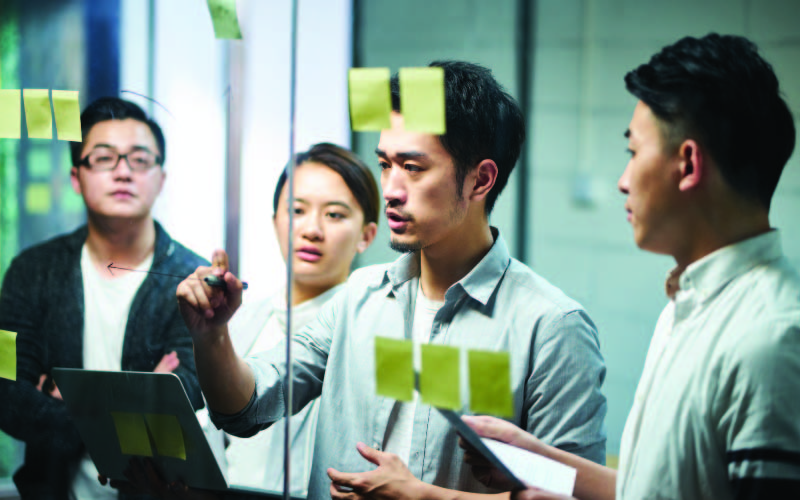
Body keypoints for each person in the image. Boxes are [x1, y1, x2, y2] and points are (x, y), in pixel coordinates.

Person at [177, 61, 607, 500]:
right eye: (385, 165)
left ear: (481, 180)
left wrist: (420, 496)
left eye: (414, 168)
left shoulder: (551, 327)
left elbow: (573, 495)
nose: (391, 190)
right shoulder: (358, 298)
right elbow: (246, 408)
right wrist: (211, 337)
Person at [456, 33, 800, 500]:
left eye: (634, 153)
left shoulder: (769, 337)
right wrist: (538, 461)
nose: (622, 181)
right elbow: (657, 489)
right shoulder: (693, 303)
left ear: (688, 163)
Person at [0, 97, 207, 500]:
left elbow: (190, 396)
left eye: (140, 159)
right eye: (104, 158)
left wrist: (73, 401)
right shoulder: (32, 271)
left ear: (161, 178)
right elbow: (7, 393)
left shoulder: (190, 277)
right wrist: (142, 397)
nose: (123, 172)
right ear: (76, 177)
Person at [203, 143, 379, 496]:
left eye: (334, 215)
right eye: (296, 210)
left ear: (367, 236)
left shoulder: (373, 331)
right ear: (275, 222)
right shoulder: (237, 320)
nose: (311, 229)